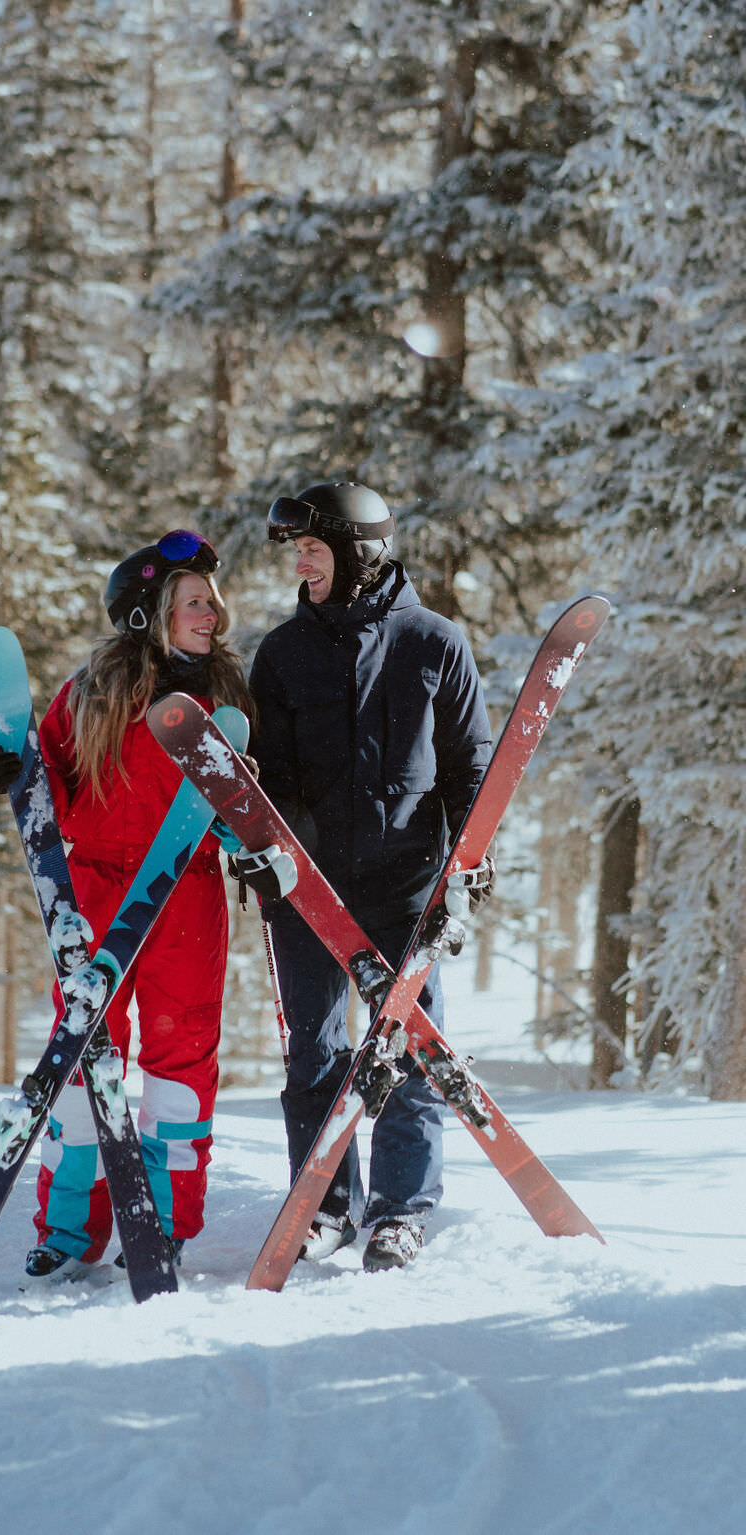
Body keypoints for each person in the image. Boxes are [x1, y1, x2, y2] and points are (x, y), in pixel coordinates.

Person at [0, 530, 252, 1280]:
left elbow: (238, 817)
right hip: (97, 888)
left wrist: (248, 817)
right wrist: (18, 769)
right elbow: (56, 790)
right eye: (196, 602)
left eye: (214, 602)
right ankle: (69, 1232)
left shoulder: (224, 696)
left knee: (181, 1062)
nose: (214, 615)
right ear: (150, 613)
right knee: (80, 1058)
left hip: (187, 895)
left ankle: (161, 1224)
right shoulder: (91, 692)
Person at [244, 482, 494, 1272]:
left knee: (411, 1048)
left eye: (314, 549)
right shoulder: (282, 655)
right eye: (299, 552)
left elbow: (472, 769)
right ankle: (324, 1206)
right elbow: (268, 776)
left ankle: (400, 1210)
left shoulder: (435, 644)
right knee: (315, 1053)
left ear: (359, 553)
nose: (303, 565)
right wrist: (269, 850)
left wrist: (471, 865)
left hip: (404, 887)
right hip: (310, 892)